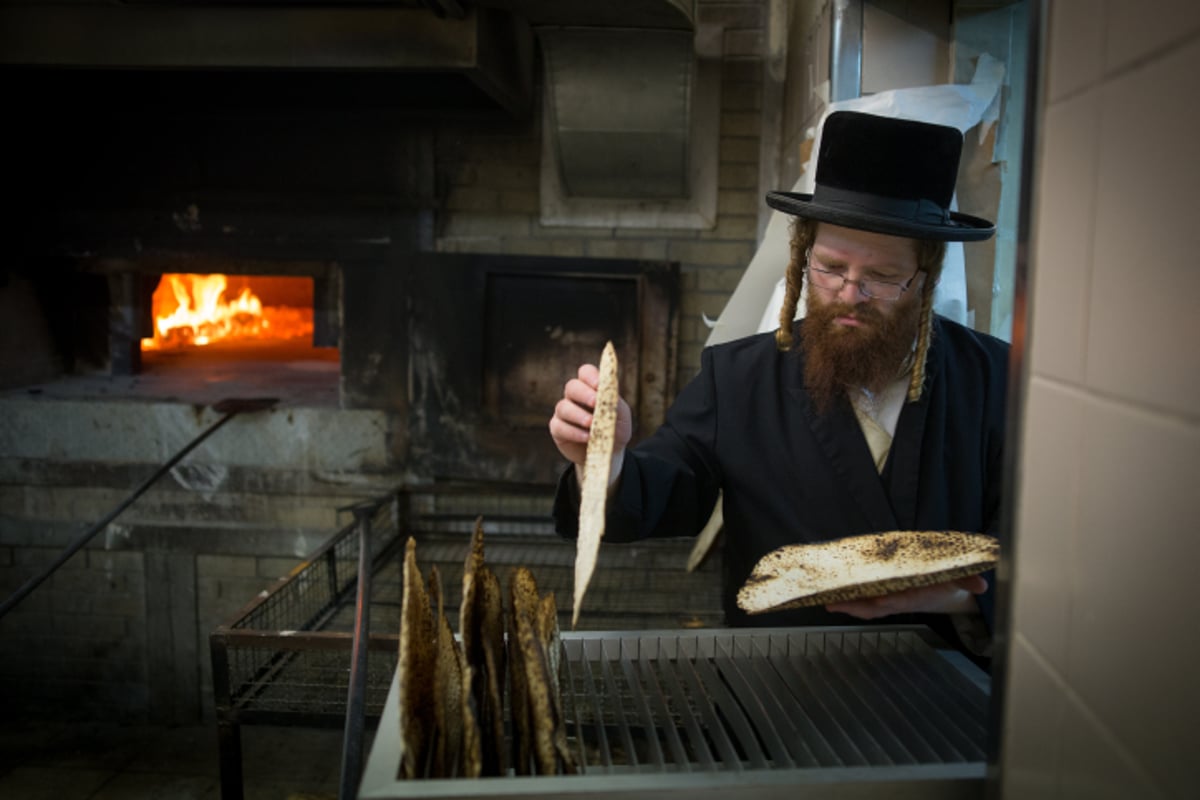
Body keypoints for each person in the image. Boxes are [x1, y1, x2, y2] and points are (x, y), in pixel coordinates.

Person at [547, 111, 1008, 659]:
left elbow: (1050, 563)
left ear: (925, 280)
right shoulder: (739, 377)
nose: (849, 294)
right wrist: (605, 459)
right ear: (801, 259)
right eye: (830, 267)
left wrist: (955, 598)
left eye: (883, 278)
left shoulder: (998, 380)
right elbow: (659, 495)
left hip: (945, 693)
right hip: (777, 687)